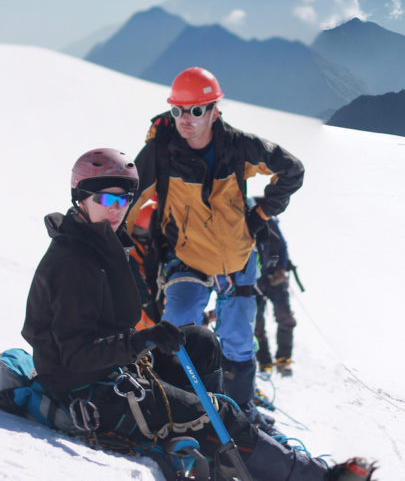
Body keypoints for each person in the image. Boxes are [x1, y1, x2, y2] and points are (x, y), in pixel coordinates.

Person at [22, 148, 375, 480]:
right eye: (108, 199)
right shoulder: (75, 262)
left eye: (125, 200)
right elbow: (75, 353)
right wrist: (141, 340)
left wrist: (147, 335)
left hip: (110, 369)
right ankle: (309, 474)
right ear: (80, 198)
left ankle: (212, 449)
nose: (118, 209)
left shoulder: (101, 244)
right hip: (85, 388)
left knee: (199, 341)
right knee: (214, 413)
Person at [125, 67, 305, 422]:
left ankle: (239, 415)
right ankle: (171, 405)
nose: (185, 120)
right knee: (175, 330)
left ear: (213, 110)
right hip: (188, 258)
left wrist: (261, 214)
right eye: (178, 111)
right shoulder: (160, 154)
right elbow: (129, 201)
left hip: (237, 259)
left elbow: (292, 169)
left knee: (238, 341)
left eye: (195, 111)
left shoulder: (239, 147)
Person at [253, 203, 297, 377]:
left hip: (273, 277)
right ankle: (264, 361)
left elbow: (282, 247)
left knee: (284, 317)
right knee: (256, 323)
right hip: (255, 281)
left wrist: (281, 270)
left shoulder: (270, 224)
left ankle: (283, 358)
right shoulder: (246, 224)